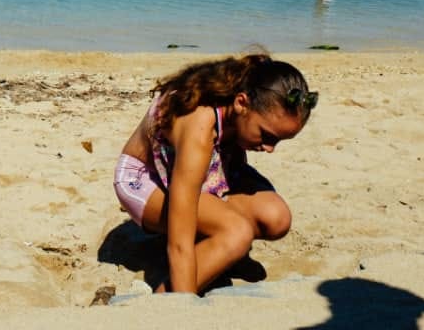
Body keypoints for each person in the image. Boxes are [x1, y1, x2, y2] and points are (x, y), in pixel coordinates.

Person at [113, 53, 316, 294]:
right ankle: (163, 295)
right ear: (242, 103)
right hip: (147, 179)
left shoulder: (244, 97)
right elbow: (180, 243)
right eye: (266, 135)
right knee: (236, 232)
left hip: (211, 170)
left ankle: (219, 255)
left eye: (279, 141)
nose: (270, 148)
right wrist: (183, 305)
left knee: (276, 218)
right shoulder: (198, 126)